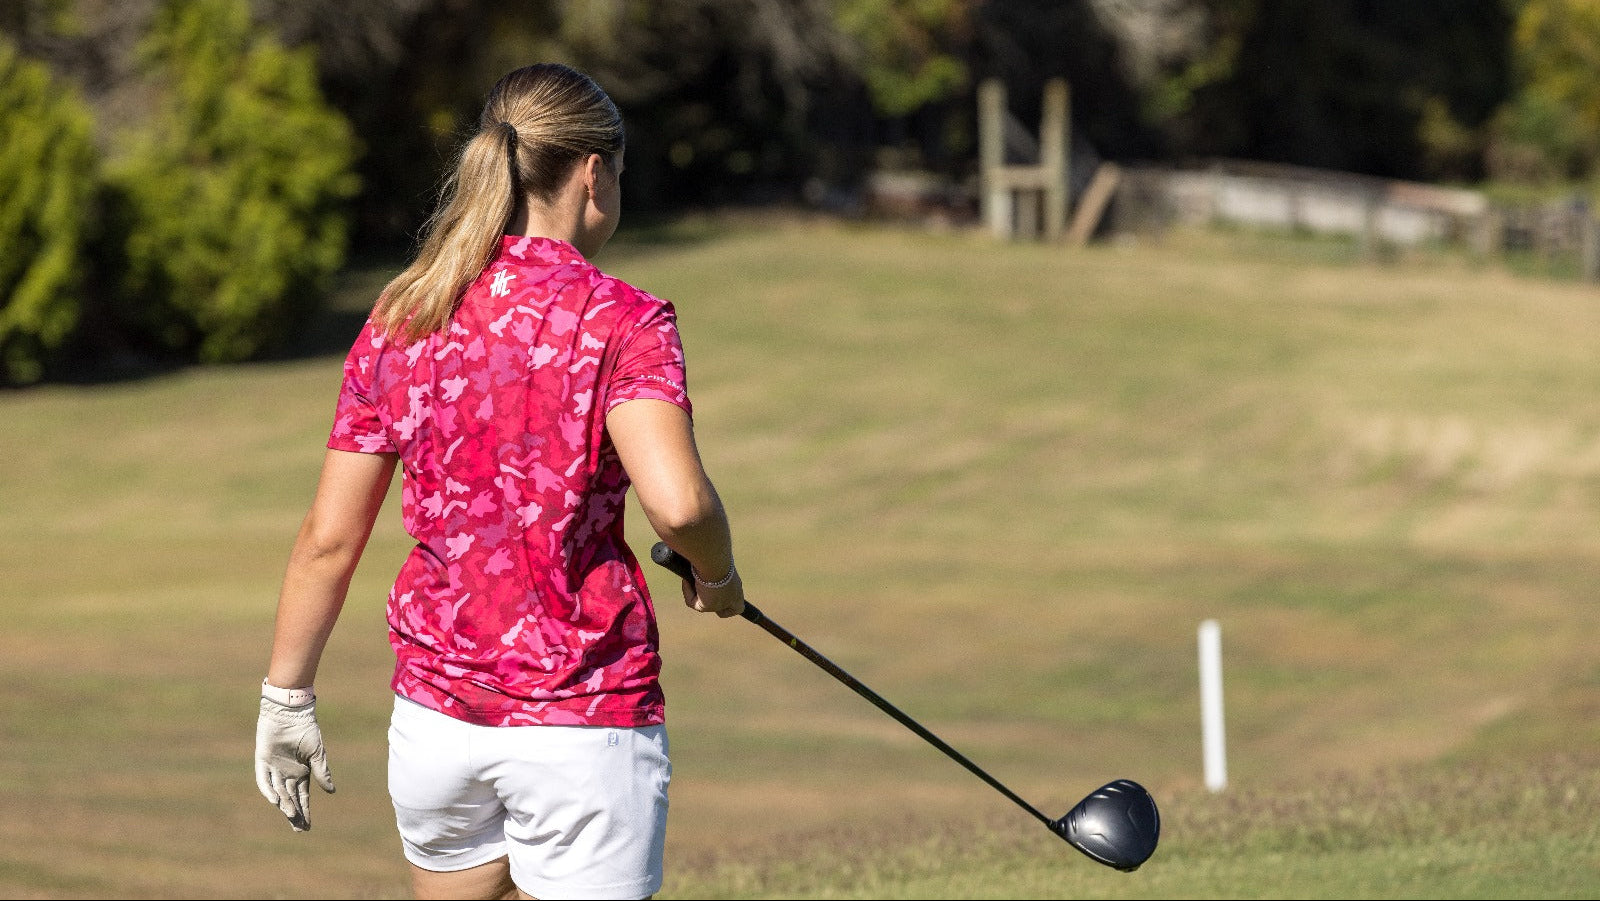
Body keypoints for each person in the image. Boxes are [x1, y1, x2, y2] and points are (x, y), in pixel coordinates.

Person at [253, 62, 747, 901]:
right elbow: (679, 505)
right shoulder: (622, 318)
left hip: (436, 729)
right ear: (593, 173)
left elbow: (329, 539)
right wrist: (719, 575)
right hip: (582, 722)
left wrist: (286, 696)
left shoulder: (403, 315)